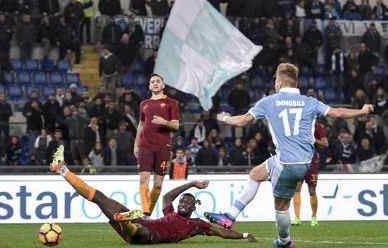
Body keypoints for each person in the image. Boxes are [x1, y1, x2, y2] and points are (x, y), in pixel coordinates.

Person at [203, 63, 375, 248]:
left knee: (281, 207)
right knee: (255, 174)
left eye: (276, 80)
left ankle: (284, 242)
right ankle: (229, 216)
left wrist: (225, 118)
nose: (275, 83)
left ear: (281, 81)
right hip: (301, 162)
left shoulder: (268, 102)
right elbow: (337, 112)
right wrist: (362, 111)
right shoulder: (310, 102)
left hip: (286, 163)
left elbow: (242, 121)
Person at [49, 146, 257, 244]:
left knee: (140, 230)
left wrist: (245, 235)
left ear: (194, 208)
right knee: (100, 198)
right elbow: (167, 198)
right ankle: (63, 170)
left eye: (188, 202)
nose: (183, 202)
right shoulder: (170, 212)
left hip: (148, 236)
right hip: (143, 223)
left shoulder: (197, 225)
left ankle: (126, 222)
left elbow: (222, 232)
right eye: (183, 200)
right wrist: (191, 184)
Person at [134, 74, 180, 218]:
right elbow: (141, 124)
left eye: (158, 81)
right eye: (152, 81)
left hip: (162, 147)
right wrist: (136, 144)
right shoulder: (144, 104)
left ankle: (148, 212)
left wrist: (164, 122)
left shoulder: (171, 103)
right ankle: (145, 212)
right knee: (143, 178)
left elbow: (176, 125)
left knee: (158, 184)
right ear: (149, 86)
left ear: (163, 85)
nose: (155, 83)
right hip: (145, 145)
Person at [292, 122, 328, 227]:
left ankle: (313, 217)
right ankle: (297, 217)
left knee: (312, 191)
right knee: (297, 188)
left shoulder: (318, 126)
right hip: (298, 161)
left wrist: (312, 139)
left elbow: (325, 143)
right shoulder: (297, 126)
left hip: (312, 162)